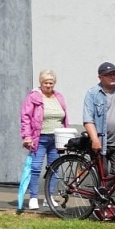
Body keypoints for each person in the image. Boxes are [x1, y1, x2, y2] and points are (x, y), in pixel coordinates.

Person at [20, 69, 69, 210]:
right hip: (39, 138)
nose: (48, 85)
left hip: (57, 139)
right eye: (46, 83)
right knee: (35, 168)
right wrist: (27, 136)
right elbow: (25, 118)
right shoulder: (34, 97)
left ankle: (49, 197)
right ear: (40, 83)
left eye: (51, 83)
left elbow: (64, 116)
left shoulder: (58, 96)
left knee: (55, 168)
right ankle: (34, 197)